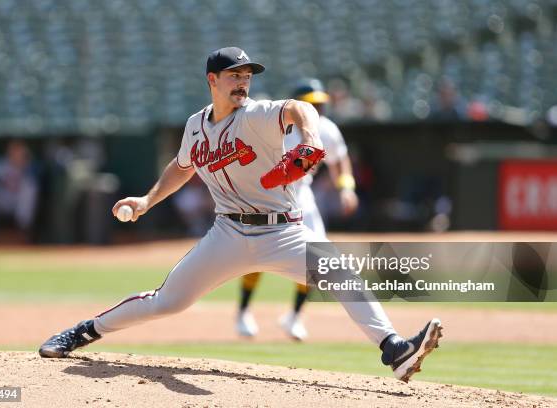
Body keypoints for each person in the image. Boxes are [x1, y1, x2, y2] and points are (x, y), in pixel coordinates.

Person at [38, 47, 442, 383]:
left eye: (247, 74)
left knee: (339, 273)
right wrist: (146, 200)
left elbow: (299, 109)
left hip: (282, 233)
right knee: (167, 301)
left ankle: (395, 350)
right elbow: (182, 167)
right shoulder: (196, 126)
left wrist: (311, 136)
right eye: (234, 74)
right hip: (227, 234)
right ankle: (83, 332)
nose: (243, 81)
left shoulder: (257, 115)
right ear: (212, 80)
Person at [236, 78, 358, 341]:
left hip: (302, 195)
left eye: (320, 105)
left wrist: (346, 187)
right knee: (256, 253)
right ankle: (243, 311)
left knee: (319, 258)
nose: (318, 111)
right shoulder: (275, 127)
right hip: (270, 195)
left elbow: (340, 160)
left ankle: (294, 316)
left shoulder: (326, 129)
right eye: (312, 105)